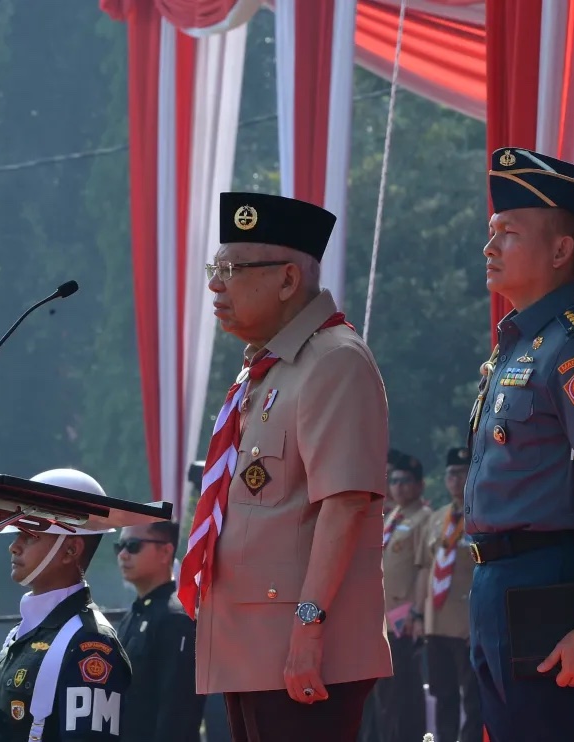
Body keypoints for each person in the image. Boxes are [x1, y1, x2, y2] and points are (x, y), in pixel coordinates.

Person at [180, 191, 393, 742]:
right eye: (214, 268)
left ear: (287, 280)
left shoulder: (334, 361)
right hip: (253, 647)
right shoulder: (270, 370)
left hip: (301, 653)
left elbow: (344, 506)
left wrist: (308, 628)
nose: (215, 285)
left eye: (231, 269)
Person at [463, 147, 574, 742]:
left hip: (549, 584)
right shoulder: (514, 346)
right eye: (491, 232)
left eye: (508, 233)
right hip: (495, 581)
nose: (490, 247)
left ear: (562, 250)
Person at [0, 468, 132, 742]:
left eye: (30, 535)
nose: (14, 547)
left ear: (71, 550)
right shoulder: (23, 633)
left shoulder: (91, 642)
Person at [114, 519, 214, 742]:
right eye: (118, 547)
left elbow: (178, 714)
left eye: (133, 546)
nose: (122, 555)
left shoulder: (176, 619)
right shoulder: (134, 614)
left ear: (165, 552)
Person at [374, 451, 435, 742]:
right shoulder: (393, 516)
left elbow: (425, 568)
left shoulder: (424, 518)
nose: (399, 487)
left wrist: (416, 613)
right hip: (383, 618)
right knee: (387, 694)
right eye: (394, 480)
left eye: (406, 481)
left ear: (420, 485)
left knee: (405, 691)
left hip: (403, 619)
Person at [422, 446, 482, 742]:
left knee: (472, 694)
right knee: (442, 692)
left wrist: (479, 620)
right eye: (450, 474)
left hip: (466, 621)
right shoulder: (437, 518)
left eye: (461, 473)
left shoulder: (482, 512)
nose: (455, 480)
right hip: (437, 621)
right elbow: (425, 568)